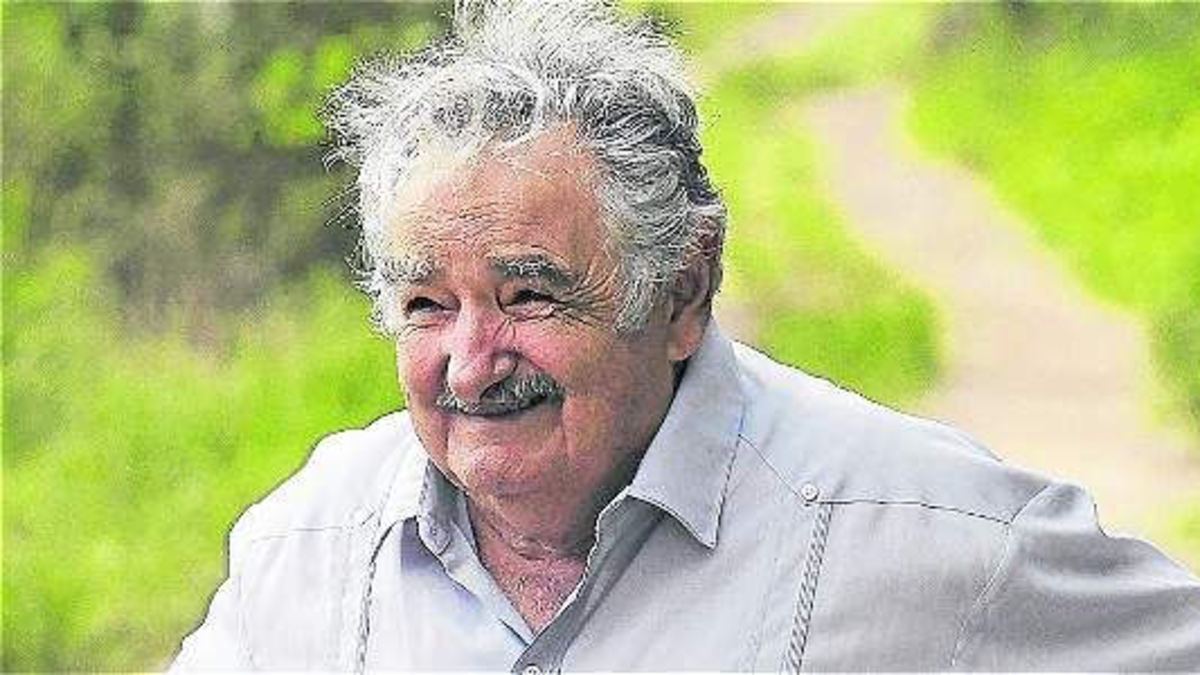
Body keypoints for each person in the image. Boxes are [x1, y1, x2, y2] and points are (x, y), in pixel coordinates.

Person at [173, 1, 1200, 671]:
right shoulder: (307, 551)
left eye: (529, 296)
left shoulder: (930, 536)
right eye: (427, 306)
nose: (472, 366)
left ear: (682, 291)